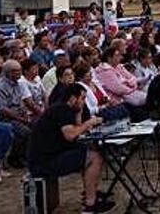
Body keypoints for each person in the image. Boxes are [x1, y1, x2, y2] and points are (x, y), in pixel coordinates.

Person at [28, 84, 114, 214]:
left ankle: (90, 193)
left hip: (47, 156)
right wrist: (89, 123)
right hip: (44, 162)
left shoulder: (64, 109)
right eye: (83, 98)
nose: (84, 102)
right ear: (73, 98)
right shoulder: (62, 110)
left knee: (88, 150)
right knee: (94, 157)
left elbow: (76, 131)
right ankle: (90, 205)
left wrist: (79, 112)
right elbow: (71, 135)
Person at [0, 61, 31, 169]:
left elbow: (20, 101)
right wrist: (21, 118)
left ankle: (27, 154)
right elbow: (3, 109)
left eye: (20, 70)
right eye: (15, 71)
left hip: (17, 114)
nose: (19, 73)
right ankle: (14, 158)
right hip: (4, 118)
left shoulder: (17, 84)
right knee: (24, 132)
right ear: (8, 72)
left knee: (37, 125)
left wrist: (25, 113)